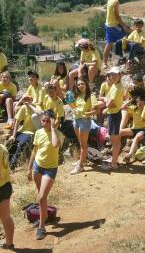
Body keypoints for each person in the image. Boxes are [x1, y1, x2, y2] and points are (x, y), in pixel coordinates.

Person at [27, 110, 61, 240]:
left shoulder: (57, 134)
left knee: (41, 198)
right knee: (41, 197)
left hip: (50, 169)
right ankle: (45, 216)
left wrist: (52, 128)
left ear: (52, 121)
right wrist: (29, 168)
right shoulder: (38, 133)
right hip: (37, 167)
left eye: (48, 120)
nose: (45, 123)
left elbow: (55, 144)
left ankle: (42, 226)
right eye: (43, 120)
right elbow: (34, 151)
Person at [69, 78, 98, 174]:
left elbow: (96, 110)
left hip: (85, 121)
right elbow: (72, 105)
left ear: (86, 84)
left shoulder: (91, 95)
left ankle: (80, 166)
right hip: (76, 120)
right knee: (81, 143)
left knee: (83, 144)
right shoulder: (77, 95)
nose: (80, 86)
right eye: (78, 84)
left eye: (82, 84)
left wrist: (87, 114)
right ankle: (83, 160)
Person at [103, 66, 124, 170]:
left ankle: (114, 163)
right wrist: (107, 100)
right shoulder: (115, 85)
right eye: (112, 74)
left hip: (115, 115)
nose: (113, 76)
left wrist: (105, 100)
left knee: (115, 140)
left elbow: (109, 104)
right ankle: (114, 160)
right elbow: (108, 100)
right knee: (114, 139)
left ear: (120, 75)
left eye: (115, 74)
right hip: (114, 114)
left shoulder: (117, 87)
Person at [103, 0, 130, 68]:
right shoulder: (116, 1)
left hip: (108, 24)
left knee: (109, 44)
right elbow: (117, 16)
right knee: (129, 35)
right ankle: (126, 58)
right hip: (113, 26)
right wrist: (124, 26)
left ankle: (104, 63)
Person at [8, 103, 36, 170]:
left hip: (32, 132)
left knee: (21, 144)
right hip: (23, 130)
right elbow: (17, 121)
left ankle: (12, 165)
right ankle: (5, 163)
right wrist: (13, 135)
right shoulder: (24, 107)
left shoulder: (39, 108)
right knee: (11, 143)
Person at [121, 94, 145, 163]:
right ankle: (113, 151)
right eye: (138, 103)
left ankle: (129, 155)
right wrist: (130, 100)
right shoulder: (134, 108)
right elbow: (122, 107)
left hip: (143, 130)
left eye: (141, 103)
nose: (139, 104)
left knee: (137, 137)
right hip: (134, 129)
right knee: (119, 132)